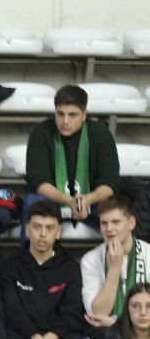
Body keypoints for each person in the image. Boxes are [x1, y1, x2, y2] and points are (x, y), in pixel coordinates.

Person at [0, 199, 90, 339]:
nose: (42, 234)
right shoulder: (9, 265)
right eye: (37, 227)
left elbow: (72, 314)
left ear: (58, 232)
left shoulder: (70, 268)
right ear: (27, 230)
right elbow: (11, 309)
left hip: (55, 337)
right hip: (21, 334)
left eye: (49, 228)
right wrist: (33, 336)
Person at [23, 85, 119, 240]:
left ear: (84, 115)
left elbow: (110, 183)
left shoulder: (100, 134)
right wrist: (69, 201)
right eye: (60, 114)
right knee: (33, 202)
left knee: (118, 211)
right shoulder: (41, 132)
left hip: (92, 202)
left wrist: (87, 200)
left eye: (72, 115)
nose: (65, 121)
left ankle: (122, 261)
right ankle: (30, 262)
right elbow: (38, 182)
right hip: (53, 201)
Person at [79, 196, 148, 329]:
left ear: (131, 223)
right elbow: (97, 313)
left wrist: (116, 323)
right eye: (104, 223)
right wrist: (114, 269)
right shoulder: (90, 260)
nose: (109, 228)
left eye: (116, 222)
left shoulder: (148, 254)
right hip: (107, 332)